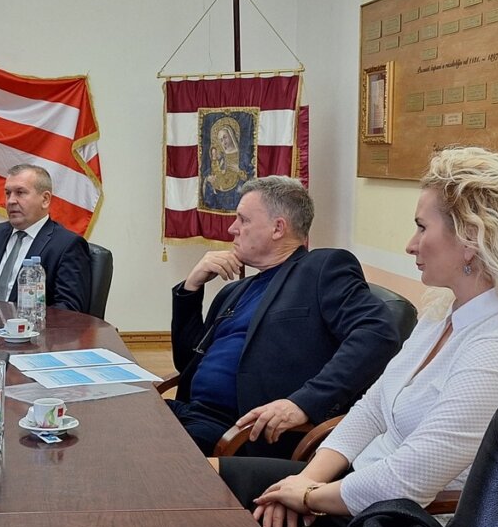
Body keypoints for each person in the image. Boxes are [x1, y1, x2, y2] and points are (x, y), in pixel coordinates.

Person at [230, 147, 498, 527]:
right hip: (352, 486)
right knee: (205, 478)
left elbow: (409, 480)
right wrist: (305, 479)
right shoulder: (443, 313)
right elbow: (372, 408)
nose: (411, 245)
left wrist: (306, 496)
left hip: (398, 526)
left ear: (471, 239)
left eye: (422, 228)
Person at [169, 176, 400, 458]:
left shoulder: (321, 268)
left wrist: (303, 403)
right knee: (106, 416)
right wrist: (191, 287)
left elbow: (377, 333)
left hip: (239, 432)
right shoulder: (235, 291)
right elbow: (187, 362)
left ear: (278, 228)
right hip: (188, 413)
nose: (232, 228)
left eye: (243, 220)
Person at [0, 164, 91, 312]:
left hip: (30, 332)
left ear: (45, 199)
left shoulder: (67, 245)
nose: (11, 201)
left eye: (20, 192)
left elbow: (69, 309)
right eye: (8, 193)